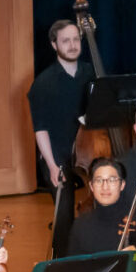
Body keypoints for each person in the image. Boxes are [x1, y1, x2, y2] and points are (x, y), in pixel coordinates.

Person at [26, 18, 96, 190]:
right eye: (65, 41)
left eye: (76, 39)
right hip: (58, 158)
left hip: (91, 154)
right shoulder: (42, 84)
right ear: (54, 45)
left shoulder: (92, 73)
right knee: (65, 216)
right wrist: (51, 166)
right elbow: (40, 129)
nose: (72, 45)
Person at [65, 159, 136, 255]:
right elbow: (72, 266)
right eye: (99, 180)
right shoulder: (81, 224)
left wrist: (134, 257)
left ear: (122, 185)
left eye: (112, 180)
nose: (105, 187)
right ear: (91, 186)